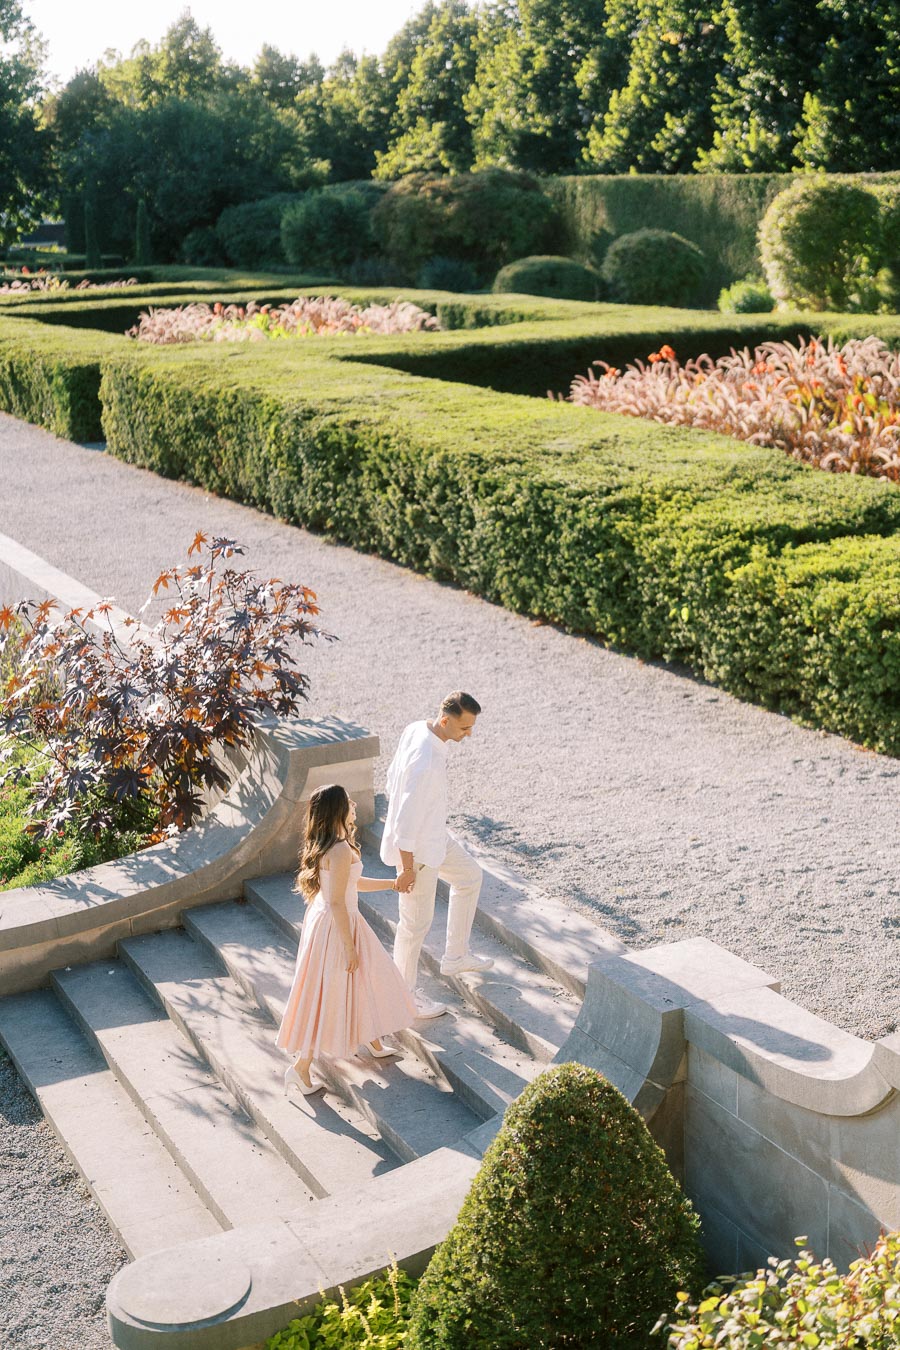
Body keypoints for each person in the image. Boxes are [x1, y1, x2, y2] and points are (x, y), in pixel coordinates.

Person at [276, 783, 416, 1096]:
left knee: (367, 976)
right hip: (338, 925)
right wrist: (348, 946)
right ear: (339, 810)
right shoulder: (339, 850)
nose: (354, 804)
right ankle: (300, 1068)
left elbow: (351, 885)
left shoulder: (338, 845)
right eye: (349, 801)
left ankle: (374, 1039)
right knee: (329, 991)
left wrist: (391, 884)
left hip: (336, 920)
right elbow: (338, 900)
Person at [381, 691, 493, 1019]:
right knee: (415, 925)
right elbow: (404, 820)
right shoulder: (426, 762)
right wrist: (406, 868)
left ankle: (456, 956)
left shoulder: (417, 727)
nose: (469, 734)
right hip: (417, 852)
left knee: (470, 877)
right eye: (464, 728)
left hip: (435, 838)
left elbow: (390, 781)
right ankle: (403, 997)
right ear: (445, 721)